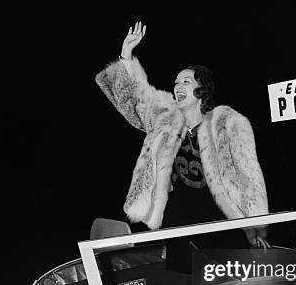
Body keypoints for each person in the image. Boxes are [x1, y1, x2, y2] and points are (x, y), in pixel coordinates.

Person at [95, 21, 269, 268]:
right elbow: (134, 100)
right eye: (176, 82)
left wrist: (255, 228)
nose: (177, 86)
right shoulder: (164, 122)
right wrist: (126, 54)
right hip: (179, 230)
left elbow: (247, 177)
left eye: (185, 82)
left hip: (221, 231)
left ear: (201, 90)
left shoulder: (225, 125)